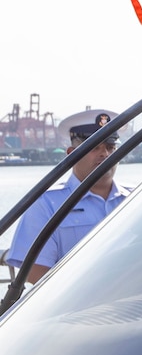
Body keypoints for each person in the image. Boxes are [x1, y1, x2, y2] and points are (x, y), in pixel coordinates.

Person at [4, 110, 127, 284]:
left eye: (110, 147)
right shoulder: (46, 205)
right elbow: (35, 272)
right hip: (77, 308)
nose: (105, 154)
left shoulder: (139, 197)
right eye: (95, 147)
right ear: (71, 153)